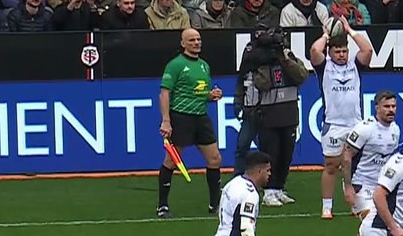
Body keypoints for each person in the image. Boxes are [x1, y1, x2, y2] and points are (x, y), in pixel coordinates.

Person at [310, 15, 374, 220]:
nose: (341, 55)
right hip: (334, 124)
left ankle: (357, 204)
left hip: (355, 123)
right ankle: (326, 206)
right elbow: (314, 51)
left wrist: (350, 31)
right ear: (330, 52)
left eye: (344, 51)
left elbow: (368, 50)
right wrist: (326, 34)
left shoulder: (355, 66)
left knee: (357, 165)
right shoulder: (324, 67)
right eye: (337, 51)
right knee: (331, 165)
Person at [235, 26, 308, 205]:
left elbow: (301, 76)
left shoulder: (287, 56)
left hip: (289, 111)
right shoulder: (257, 60)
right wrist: (266, 63)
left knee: (286, 153)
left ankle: (279, 187)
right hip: (268, 112)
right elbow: (263, 84)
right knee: (271, 152)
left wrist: (284, 58)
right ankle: (268, 190)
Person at [339, 91, 403, 236]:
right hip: (360, 184)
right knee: (369, 223)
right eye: (386, 106)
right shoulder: (365, 129)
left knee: (377, 226)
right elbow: (346, 155)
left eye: (393, 106)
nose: (391, 110)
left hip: (379, 187)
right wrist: (349, 187)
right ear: (377, 108)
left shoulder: (395, 130)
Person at [158, 28, 224, 218]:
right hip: (181, 116)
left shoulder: (204, 65)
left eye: (198, 39)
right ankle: (162, 205)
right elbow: (164, 93)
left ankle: (215, 204)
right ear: (183, 43)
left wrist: (211, 96)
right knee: (172, 160)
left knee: (215, 159)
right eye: (192, 40)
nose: (196, 43)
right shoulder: (175, 65)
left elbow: (200, 93)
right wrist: (166, 120)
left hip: (201, 117)